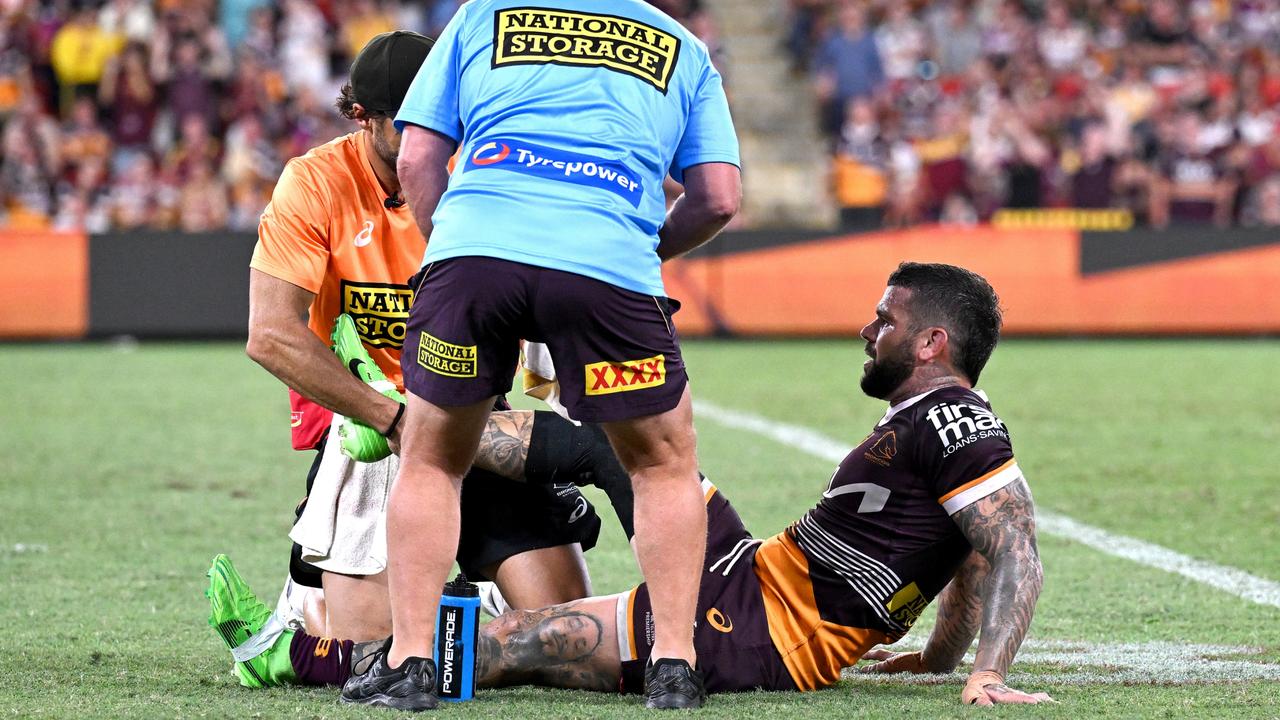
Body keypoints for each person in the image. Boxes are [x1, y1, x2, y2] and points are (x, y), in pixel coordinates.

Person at [362, 262, 1048, 704]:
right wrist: (936, 657)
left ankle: (341, 642)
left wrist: (985, 672)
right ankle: (413, 432)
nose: (868, 330)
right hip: (750, 578)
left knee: (512, 643)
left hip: (752, 631)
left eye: (886, 320)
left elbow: (1011, 544)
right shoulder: (941, 423)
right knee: (618, 443)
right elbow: (975, 550)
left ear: (931, 344)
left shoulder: (956, 420)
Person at [354, 0, 742, 711]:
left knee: (433, 457)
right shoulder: (683, 47)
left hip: (475, 258)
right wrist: (639, 246)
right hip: (606, 268)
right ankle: (675, 668)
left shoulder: (482, 16)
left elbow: (415, 154)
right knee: (661, 463)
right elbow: (717, 198)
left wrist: (453, 244)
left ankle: (411, 665)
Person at [229, 31, 629, 688]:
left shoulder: (483, 175)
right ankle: (301, 628)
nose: (431, 139)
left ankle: (464, 602)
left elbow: (543, 331)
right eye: (409, 123)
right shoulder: (315, 182)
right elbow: (269, 332)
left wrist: (566, 413)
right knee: (378, 649)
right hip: (372, 430)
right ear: (362, 116)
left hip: (478, 418)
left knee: (561, 634)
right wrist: (390, 419)